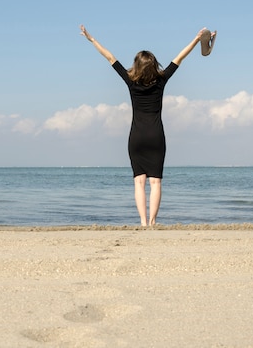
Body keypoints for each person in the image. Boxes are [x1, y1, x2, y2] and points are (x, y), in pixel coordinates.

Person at [80, 25, 215, 226]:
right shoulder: (161, 80)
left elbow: (110, 57)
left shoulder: (130, 80)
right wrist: (197, 40)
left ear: (137, 65)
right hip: (156, 136)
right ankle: (152, 222)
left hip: (136, 137)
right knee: (155, 182)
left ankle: (143, 222)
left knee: (139, 182)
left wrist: (92, 40)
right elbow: (180, 57)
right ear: (154, 65)